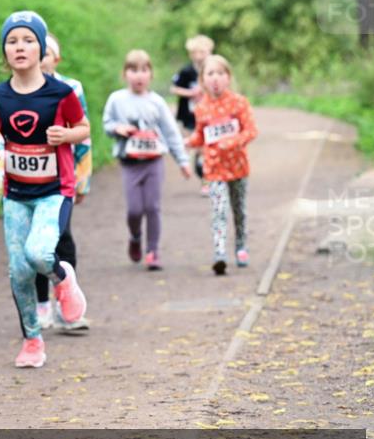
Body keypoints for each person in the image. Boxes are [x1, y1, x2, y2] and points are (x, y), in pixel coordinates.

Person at [0, 11, 89, 369]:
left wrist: (66, 135)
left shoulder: (62, 93)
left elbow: (84, 129)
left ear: (42, 48)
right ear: (4, 52)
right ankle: (32, 340)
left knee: (39, 253)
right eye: (12, 41)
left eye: (28, 40)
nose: (20, 47)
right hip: (16, 194)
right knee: (18, 270)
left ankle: (63, 277)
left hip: (55, 190)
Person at [103, 49, 192, 271]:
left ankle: (152, 251)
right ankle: (135, 236)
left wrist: (182, 160)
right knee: (134, 209)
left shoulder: (157, 102)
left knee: (152, 207)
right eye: (133, 70)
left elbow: (171, 132)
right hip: (130, 163)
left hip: (154, 162)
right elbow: (107, 124)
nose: (139, 75)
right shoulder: (117, 100)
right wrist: (117, 128)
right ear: (125, 74)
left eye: (144, 70)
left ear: (151, 75)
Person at [184, 54, 258, 275]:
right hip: (213, 169)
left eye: (220, 73)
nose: (215, 79)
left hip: (238, 167)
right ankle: (220, 254)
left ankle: (241, 246)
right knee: (218, 211)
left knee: (239, 210)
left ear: (228, 77)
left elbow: (251, 131)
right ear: (202, 79)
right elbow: (201, 136)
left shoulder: (239, 103)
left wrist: (231, 142)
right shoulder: (201, 108)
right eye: (210, 74)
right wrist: (188, 142)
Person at [171, 35, 214, 196]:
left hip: (209, 116)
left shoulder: (213, 70)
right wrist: (190, 93)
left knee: (205, 149)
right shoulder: (186, 71)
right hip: (189, 116)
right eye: (195, 53)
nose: (199, 56)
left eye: (202, 52)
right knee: (195, 147)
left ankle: (206, 181)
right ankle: (196, 168)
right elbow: (174, 88)